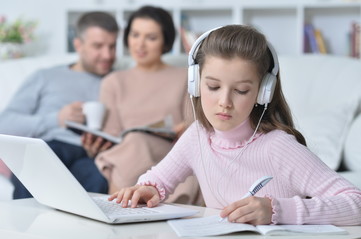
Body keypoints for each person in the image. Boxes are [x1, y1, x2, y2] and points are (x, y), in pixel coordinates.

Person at [109, 25, 361, 226]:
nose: (224, 102)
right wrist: (146, 189)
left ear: (263, 93)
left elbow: (356, 204)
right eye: (213, 87)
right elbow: (158, 180)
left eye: (241, 90)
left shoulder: (279, 147)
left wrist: (277, 210)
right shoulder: (197, 135)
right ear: (195, 84)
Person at [83, 6, 203, 205]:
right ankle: (121, 204)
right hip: (127, 151)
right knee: (133, 142)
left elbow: (192, 124)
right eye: (135, 34)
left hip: (169, 150)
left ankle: (116, 206)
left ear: (165, 41)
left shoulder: (185, 77)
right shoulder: (113, 81)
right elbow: (111, 134)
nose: (140, 44)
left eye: (151, 37)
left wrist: (182, 128)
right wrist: (94, 143)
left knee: (136, 142)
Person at [0, 11, 119, 199]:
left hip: (92, 156)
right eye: (98, 46)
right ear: (78, 45)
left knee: (97, 179)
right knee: (36, 164)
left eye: (112, 46)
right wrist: (56, 119)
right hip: (51, 147)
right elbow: (5, 123)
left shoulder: (119, 82)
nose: (107, 55)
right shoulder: (45, 77)